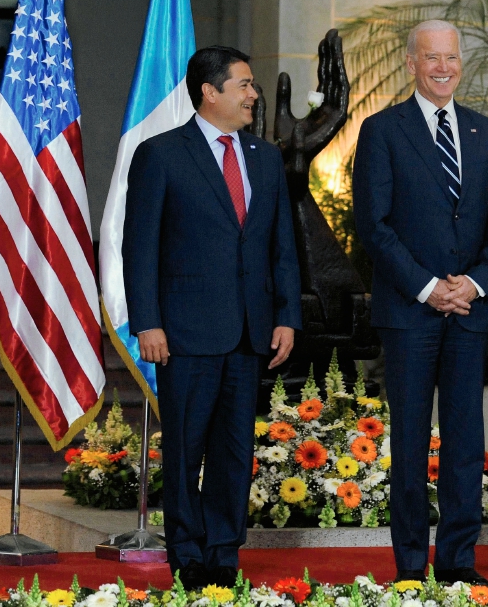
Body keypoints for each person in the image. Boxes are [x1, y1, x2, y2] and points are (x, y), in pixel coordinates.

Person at [123, 46, 301, 588]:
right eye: (244, 85)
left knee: (232, 451)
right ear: (210, 91)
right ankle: (187, 554)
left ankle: (224, 552)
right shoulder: (160, 153)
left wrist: (287, 316)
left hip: (250, 331)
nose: (254, 94)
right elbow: (140, 246)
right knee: (185, 448)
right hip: (185, 333)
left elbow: (281, 247)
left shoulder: (266, 157)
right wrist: (147, 322)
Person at [352, 19, 488, 584]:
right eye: (431, 58)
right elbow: (373, 226)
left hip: (470, 312)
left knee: (466, 441)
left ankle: (458, 563)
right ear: (410, 63)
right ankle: (409, 567)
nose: (442, 68)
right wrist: (429, 287)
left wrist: (471, 284)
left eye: (451, 58)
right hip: (409, 312)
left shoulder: (484, 133)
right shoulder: (382, 130)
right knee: (410, 441)